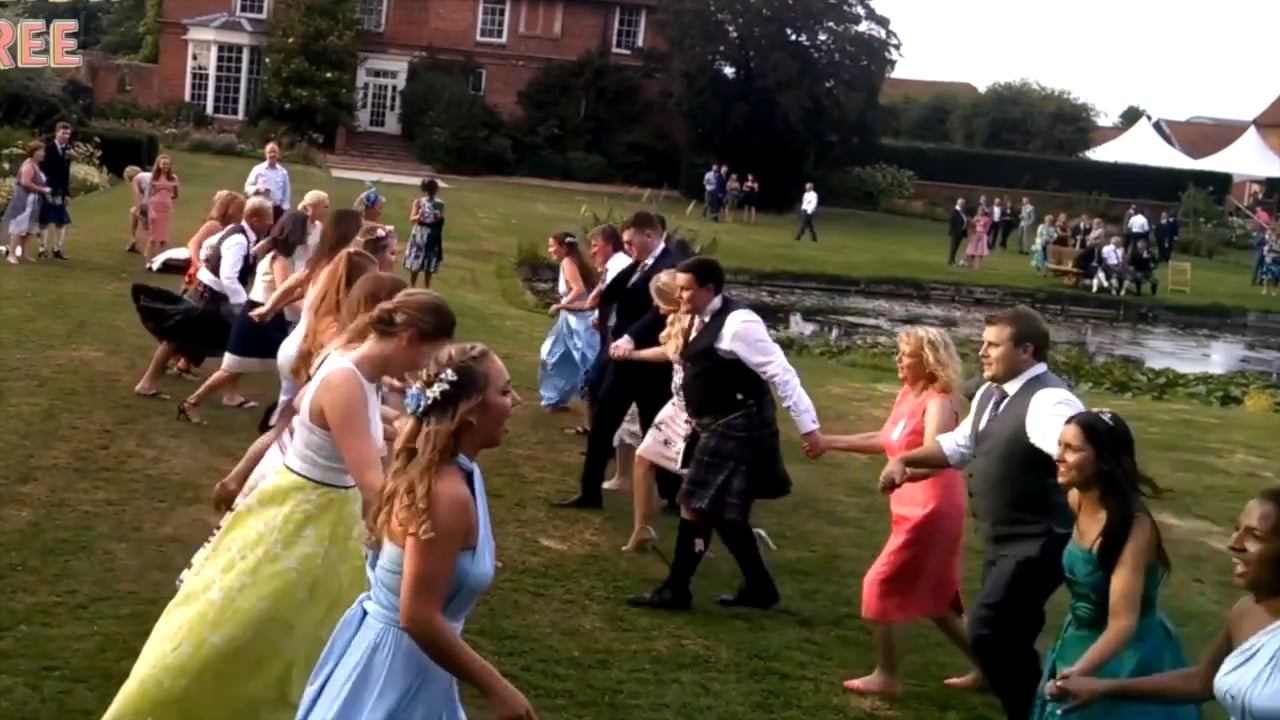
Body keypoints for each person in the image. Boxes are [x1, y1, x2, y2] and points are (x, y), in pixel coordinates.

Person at [101, 290, 457, 720]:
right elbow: (372, 484)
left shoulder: (361, 373)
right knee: (244, 626)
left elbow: (340, 422)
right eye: (425, 356)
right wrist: (435, 535)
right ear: (408, 338)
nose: (421, 369)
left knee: (295, 634)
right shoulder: (346, 378)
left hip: (326, 515)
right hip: (303, 518)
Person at [295, 343, 536, 720]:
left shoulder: (461, 472)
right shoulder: (445, 494)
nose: (516, 401)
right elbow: (418, 616)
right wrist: (498, 688)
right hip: (394, 670)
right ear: (470, 411)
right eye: (504, 392)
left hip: (415, 665)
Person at [879, 305, 1085, 720]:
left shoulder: (1048, 400)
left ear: (1026, 351)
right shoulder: (993, 393)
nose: (981, 352)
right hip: (1003, 539)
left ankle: (1036, 712)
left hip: (1039, 539)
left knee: (989, 631)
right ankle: (1040, 708)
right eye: (982, 343)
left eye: (993, 345)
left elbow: (1082, 456)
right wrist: (905, 459)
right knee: (1011, 637)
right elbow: (960, 444)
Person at [628, 256, 822, 611]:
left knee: (694, 503)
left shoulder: (739, 325)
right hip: (713, 422)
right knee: (726, 513)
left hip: (739, 423)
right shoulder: (697, 317)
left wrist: (809, 428)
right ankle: (760, 588)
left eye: (686, 289)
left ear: (709, 289)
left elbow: (782, 374)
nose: (679, 295)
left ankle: (676, 589)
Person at [816, 327, 980, 696]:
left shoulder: (939, 401)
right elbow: (884, 439)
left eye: (905, 354)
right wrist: (829, 442)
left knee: (879, 583)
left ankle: (886, 676)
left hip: (932, 507)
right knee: (938, 602)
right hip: (910, 504)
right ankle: (992, 669)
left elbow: (937, 458)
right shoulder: (909, 393)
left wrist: (902, 471)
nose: (898, 360)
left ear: (929, 361)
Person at [1054, 487, 1280, 720]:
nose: (1234, 543)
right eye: (1237, 529)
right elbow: (1202, 681)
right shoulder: (1246, 612)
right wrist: (1105, 688)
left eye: (1255, 536)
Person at [1030, 409, 1197, 720]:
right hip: (1078, 636)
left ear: (1105, 460)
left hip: (1127, 652)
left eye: (1072, 449)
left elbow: (1123, 623)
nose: (1058, 456)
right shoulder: (1076, 499)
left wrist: (1079, 672)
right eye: (1060, 445)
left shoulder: (1133, 528)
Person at [554, 211, 677, 510]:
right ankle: (590, 493)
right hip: (622, 361)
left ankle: (672, 495)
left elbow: (659, 312)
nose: (627, 248)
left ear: (649, 235)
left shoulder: (670, 267)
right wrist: (599, 309)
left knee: (656, 429)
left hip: (651, 364)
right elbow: (612, 293)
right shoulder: (638, 263)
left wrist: (630, 338)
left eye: (630, 242)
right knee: (602, 423)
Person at [539, 232, 600, 411]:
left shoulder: (567, 262)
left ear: (563, 247)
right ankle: (557, 398)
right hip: (573, 317)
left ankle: (558, 397)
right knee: (566, 357)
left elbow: (578, 289)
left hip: (576, 319)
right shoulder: (575, 261)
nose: (550, 250)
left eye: (553, 246)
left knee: (552, 354)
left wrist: (561, 305)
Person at [38, 120, 73, 260]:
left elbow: (66, 174)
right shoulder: (47, 150)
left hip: (59, 190)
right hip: (46, 188)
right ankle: (42, 248)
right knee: (44, 220)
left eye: (68, 134)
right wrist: (43, 188)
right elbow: (40, 171)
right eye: (63, 133)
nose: (66, 136)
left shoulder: (67, 151)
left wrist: (66, 193)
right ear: (56, 133)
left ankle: (58, 248)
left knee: (61, 220)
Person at [403, 178, 445, 288]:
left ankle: (427, 287)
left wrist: (439, 218)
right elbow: (412, 219)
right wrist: (419, 215)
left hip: (433, 234)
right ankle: (412, 286)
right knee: (416, 262)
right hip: (420, 234)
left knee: (429, 262)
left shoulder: (440, 204)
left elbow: (441, 222)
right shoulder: (419, 202)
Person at [244, 141, 291, 222]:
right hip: (260, 208)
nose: (272, 154)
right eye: (270, 152)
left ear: (278, 154)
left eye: (275, 152)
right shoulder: (257, 169)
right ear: (265, 154)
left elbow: (287, 192)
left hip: (276, 210)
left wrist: (283, 209)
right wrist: (258, 189)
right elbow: (247, 187)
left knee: (275, 230)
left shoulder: (283, 172)